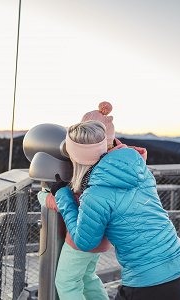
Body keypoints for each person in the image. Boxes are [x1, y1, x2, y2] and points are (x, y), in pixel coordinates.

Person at [51, 120, 180, 300]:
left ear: (76, 158)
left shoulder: (95, 194)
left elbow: (84, 241)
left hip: (151, 284)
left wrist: (63, 196)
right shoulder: (138, 168)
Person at [37, 102, 147, 300]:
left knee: (67, 282)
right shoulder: (118, 162)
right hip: (102, 236)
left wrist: (46, 197)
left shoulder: (92, 172)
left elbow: (72, 201)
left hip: (82, 236)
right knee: (87, 277)